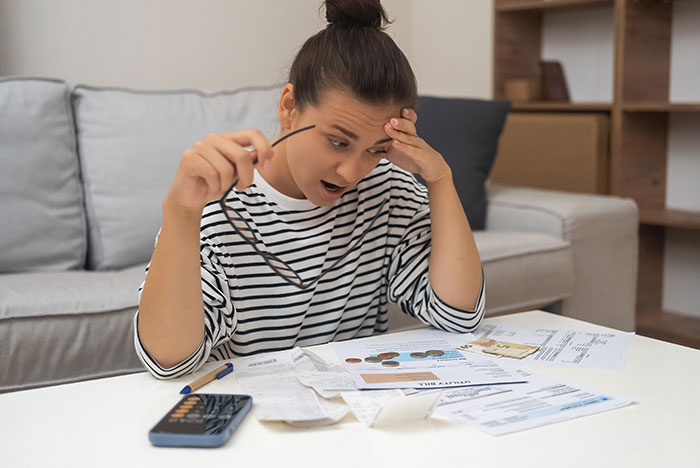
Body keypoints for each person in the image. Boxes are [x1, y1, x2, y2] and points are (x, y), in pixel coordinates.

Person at [135, 0, 484, 379]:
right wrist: (181, 214)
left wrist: (440, 180)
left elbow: (458, 315)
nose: (352, 172)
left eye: (376, 150)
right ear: (289, 107)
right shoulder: (218, 203)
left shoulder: (387, 192)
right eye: (337, 141)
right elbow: (169, 361)